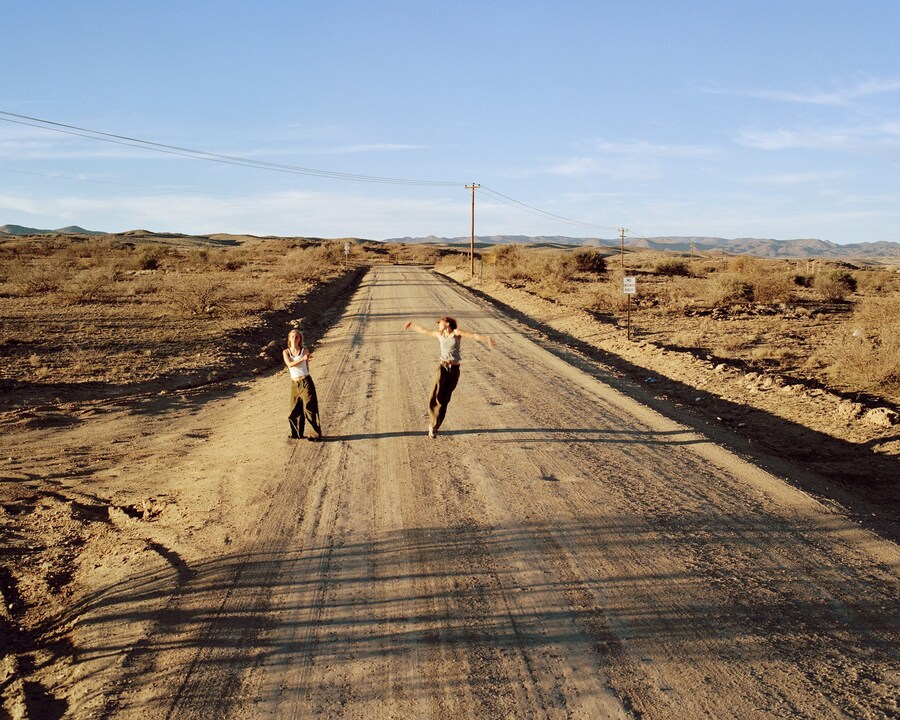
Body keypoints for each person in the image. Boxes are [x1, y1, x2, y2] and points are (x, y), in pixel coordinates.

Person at [402, 316, 494, 438]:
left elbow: (473, 335)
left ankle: (435, 426)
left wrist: (486, 338)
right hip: (443, 367)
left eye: (439, 323)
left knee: (445, 399)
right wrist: (412, 325)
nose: (438, 326)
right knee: (436, 394)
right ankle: (432, 424)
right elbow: (425, 331)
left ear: (446, 323)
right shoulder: (440, 335)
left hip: (454, 370)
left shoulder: (457, 333)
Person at [282, 329, 323, 441]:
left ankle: (315, 433)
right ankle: (296, 433)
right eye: (293, 337)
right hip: (295, 383)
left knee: (310, 407)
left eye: (297, 337)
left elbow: (306, 365)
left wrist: (304, 361)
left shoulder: (304, 350)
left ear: (300, 339)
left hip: (305, 381)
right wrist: (302, 359)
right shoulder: (286, 352)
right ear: (289, 339)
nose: (295, 339)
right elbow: (290, 364)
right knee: (294, 409)